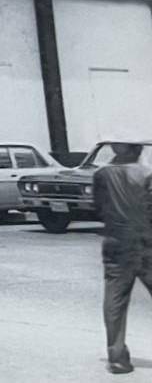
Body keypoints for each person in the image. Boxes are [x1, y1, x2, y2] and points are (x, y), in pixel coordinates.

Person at [92, 142, 152, 375]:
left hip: (115, 241)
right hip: (146, 241)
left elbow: (97, 208)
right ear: (136, 150)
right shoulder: (147, 174)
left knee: (115, 299)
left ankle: (116, 357)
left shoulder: (101, 175)